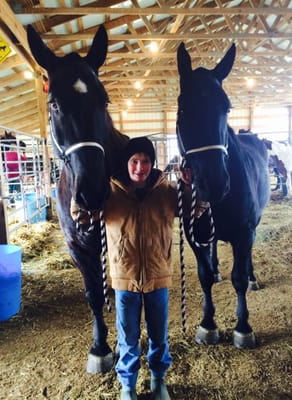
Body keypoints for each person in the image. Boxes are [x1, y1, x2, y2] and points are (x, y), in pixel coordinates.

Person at [71, 137, 194, 400]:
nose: (140, 167)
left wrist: (189, 184)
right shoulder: (110, 193)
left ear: (153, 163)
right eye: (134, 161)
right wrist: (80, 186)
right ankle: (128, 386)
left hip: (158, 278)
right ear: (126, 164)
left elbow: (194, 209)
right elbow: (80, 215)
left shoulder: (166, 192)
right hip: (124, 280)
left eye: (146, 161)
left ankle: (158, 381)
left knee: (159, 336)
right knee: (128, 339)